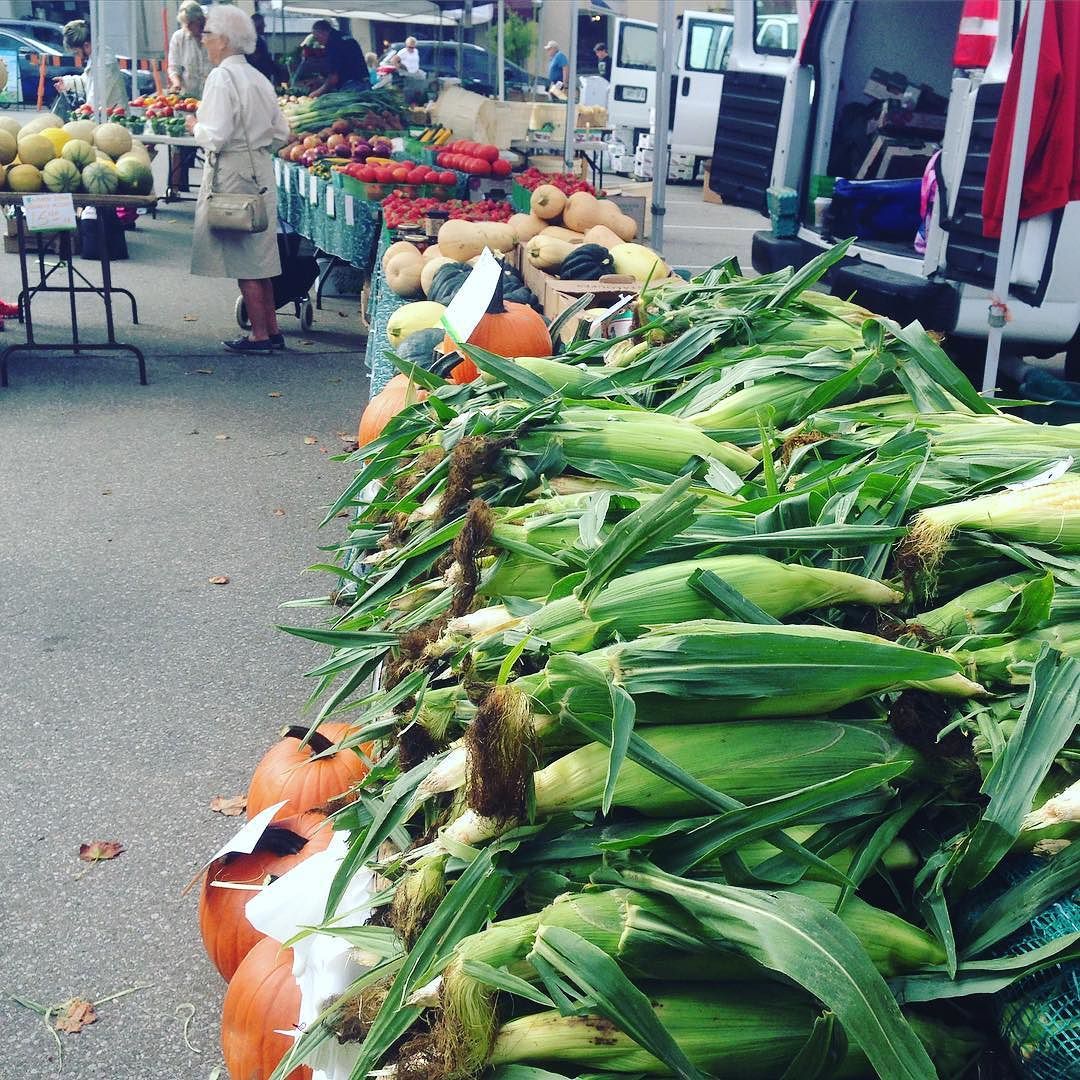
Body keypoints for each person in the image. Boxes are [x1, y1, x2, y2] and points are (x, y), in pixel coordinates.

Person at [187, 5, 290, 354]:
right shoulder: (259, 77)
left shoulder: (221, 78)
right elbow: (281, 132)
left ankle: (258, 334)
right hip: (260, 168)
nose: (204, 42)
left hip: (232, 171)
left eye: (209, 35)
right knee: (262, 255)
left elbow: (214, 135)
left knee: (245, 257)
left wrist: (195, 127)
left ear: (226, 40)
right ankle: (273, 329)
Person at [52, 19, 127, 113]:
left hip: (112, 118)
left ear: (86, 45)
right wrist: (68, 82)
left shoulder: (104, 63)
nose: (77, 56)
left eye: (76, 52)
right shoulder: (96, 55)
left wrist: (82, 112)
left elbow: (96, 97)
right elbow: (88, 80)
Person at [308, 19, 366, 98]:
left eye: (317, 38)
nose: (318, 42)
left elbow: (333, 78)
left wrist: (317, 92)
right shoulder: (345, 37)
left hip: (351, 88)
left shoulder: (332, 44)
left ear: (324, 32)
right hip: (364, 83)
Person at [168, 1, 211, 98]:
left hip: (212, 94)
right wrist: (176, 84)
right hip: (189, 97)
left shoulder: (213, 35)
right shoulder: (178, 37)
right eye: (184, 23)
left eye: (191, 23)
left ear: (200, 20)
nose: (187, 27)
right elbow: (174, 67)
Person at [247, 13, 279, 85]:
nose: (265, 25)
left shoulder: (259, 39)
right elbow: (263, 59)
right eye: (263, 23)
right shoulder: (254, 41)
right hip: (258, 77)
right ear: (257, 24)